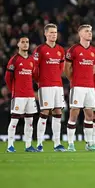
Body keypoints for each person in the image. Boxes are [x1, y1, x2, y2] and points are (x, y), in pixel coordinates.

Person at [64, 24, 95, 152]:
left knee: (89, 115)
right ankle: (70, 144)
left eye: (90, 31)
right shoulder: (73, 50)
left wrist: (87, 79)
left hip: (90, 87)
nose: (90, 33)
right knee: (74, 114)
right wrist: (73, 80)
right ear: (80, 34)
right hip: (77, 87)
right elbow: (66, 68)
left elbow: (94, 69)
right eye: (86, 31)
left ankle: (89, 143)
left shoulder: (94, 51)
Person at [33, 24, 66, 152]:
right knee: (45, 112)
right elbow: (34, 69)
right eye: (51, 32)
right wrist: (39, 82)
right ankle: (40, 143)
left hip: (58, 85)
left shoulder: (60, 50)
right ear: (45, 34)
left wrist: (56, 78)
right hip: (45, 86)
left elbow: (60, 68)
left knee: (58, 112)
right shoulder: (40, 49)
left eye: (55, 32)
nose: (54, 35)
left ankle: (57, 143)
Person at [5, 37, 38, 152]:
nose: (25, 44)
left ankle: (28, 146)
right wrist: (13, 90)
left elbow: (33, 77)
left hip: (29, 95)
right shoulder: (14, 60)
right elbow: (8, 78)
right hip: (18, 96)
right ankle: (10, 145)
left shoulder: (32, 60)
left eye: (27, 42)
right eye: (22, 42)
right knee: (14, 121)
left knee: (29, 122)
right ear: (18, 44)